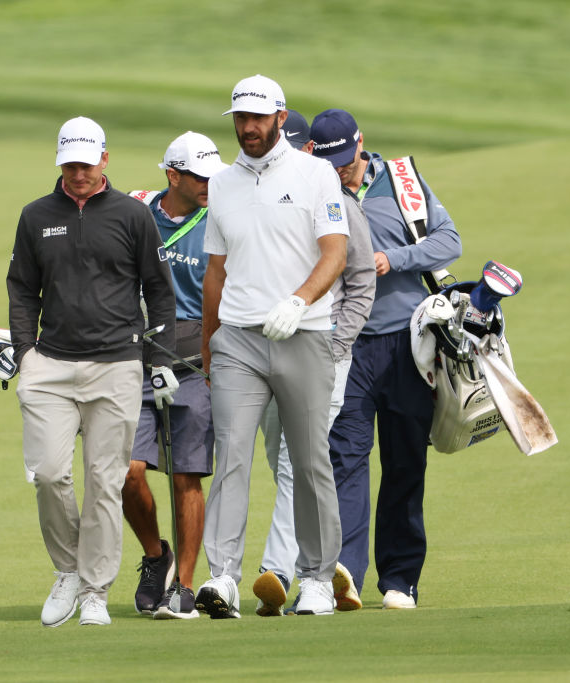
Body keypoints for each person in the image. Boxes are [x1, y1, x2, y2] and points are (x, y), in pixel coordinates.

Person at [6, 116, 178, 627]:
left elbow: (159, 291)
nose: (78, 172)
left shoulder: (131, 215)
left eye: (86, 162)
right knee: (49, 473)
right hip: (49, 364)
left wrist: (161, 359)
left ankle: (95, 592)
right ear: (60, 161)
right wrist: (24, 351)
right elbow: (21, 288)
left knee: (105, 482)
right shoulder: (36, 215)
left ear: (104, 159)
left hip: (117, 364)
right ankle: (69, 572)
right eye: (69, 163)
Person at [196, 76, 348, 619]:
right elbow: (216, 270)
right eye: (240, 118)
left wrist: (299, 301)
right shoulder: (220, 183)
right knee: (231, 455)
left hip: (302, 334)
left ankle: (316, 578)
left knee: (308, 461)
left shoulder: (316, 173)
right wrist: (211, 344)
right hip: (238, 338)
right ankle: (222, 579)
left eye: (258, 118)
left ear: (280, 118)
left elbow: (334, 253)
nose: (248, 128)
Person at [311, 108, 461, 609]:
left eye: (346, 160)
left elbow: (449, 240)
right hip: (343, 345)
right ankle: (345, 575)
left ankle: (400, 578)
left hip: (407, 345)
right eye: (329, 162)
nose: (340, 172)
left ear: (361, 145)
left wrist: (391, 259)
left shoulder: (402, 182)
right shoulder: (314, 188)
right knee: (345, 461)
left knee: (404, 461)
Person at [253, 110, 376, 616]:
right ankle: (320, 562)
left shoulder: (341, 204)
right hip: (267, 353)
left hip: (323, 355)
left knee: (294, 463)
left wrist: (336, 346)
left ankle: (285, 571)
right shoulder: (269, 200)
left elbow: (362, 281)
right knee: (282, 458)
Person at [124, 132, 227, 620]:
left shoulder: (222, 218)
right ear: (173, 175)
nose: (211, 183)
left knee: (187, 473)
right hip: (134, 358)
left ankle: (183, 587)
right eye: (201, 176)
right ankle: (154, 556)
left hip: (196, 361)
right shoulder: (134, 210)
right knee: (125, 472)